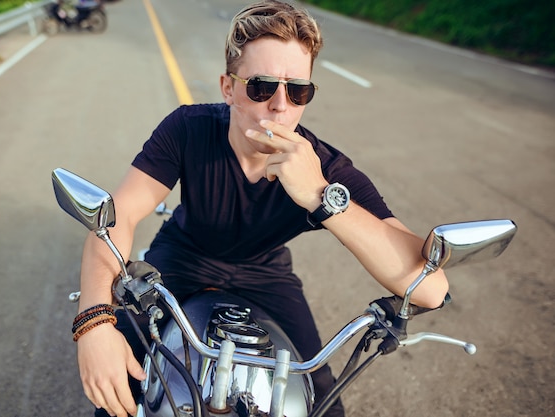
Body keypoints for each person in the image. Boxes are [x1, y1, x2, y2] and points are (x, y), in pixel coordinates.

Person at [72, 1, 450, 416]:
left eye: (298, 90)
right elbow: (117, 215)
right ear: (228, 87)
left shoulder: (325, 169)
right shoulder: (187, 128)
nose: (280, 105)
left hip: (265, 270)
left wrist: (322, 197)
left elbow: (430, 289)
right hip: (184, 253)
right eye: (261, 86)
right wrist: (93, 322)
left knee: (323, 402)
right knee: (124, 383)